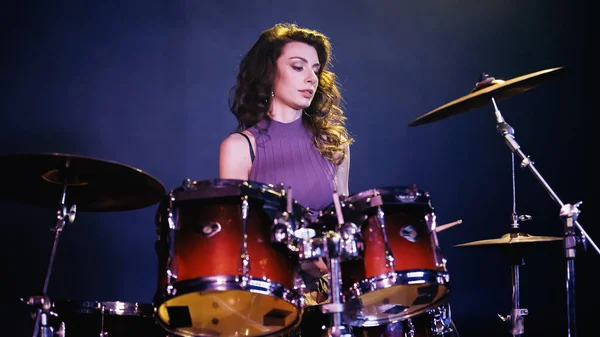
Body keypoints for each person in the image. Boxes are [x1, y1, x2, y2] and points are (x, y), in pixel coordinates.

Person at [218, 22, 353, 305]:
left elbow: (344, 223)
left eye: (316, 70)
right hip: (268, 300)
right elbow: (237, 238)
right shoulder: (240, 147)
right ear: (269, 73)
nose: (311, 79)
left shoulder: (333, 143)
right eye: (297, 66)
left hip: (331, 298)